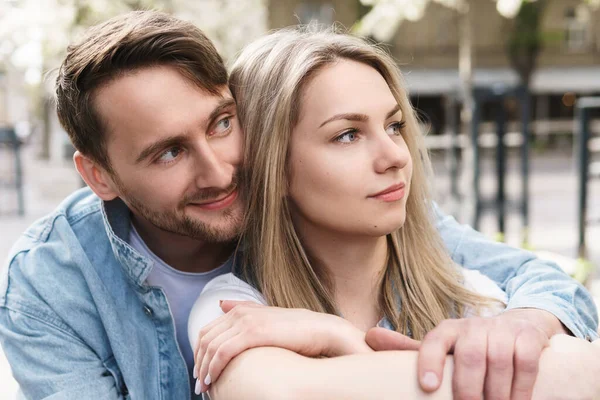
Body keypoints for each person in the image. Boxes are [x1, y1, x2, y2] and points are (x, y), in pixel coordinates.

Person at [0, 10, 596, 400]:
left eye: (222, 123)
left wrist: (526, 325)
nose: (221, 170)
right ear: (99, 175)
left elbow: (531, 279)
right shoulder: (51, 284)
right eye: (167, 154)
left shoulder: (378, 222)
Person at [188, 26, 600, 399]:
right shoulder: (235, 310)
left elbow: (581, 366)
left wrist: (339, 339)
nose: (394, 157)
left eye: (394, 125)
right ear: (272, 167)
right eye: (347, 135)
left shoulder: (478, 301)